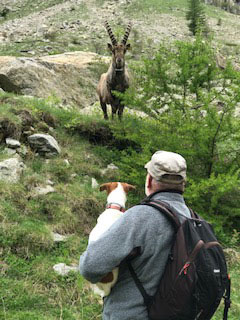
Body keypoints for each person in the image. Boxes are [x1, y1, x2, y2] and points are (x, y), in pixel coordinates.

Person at [79, 150, 191, 320]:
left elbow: (90, 267)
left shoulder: (139, 217)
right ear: (183, 183)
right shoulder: (193, 219)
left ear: (149, 180)